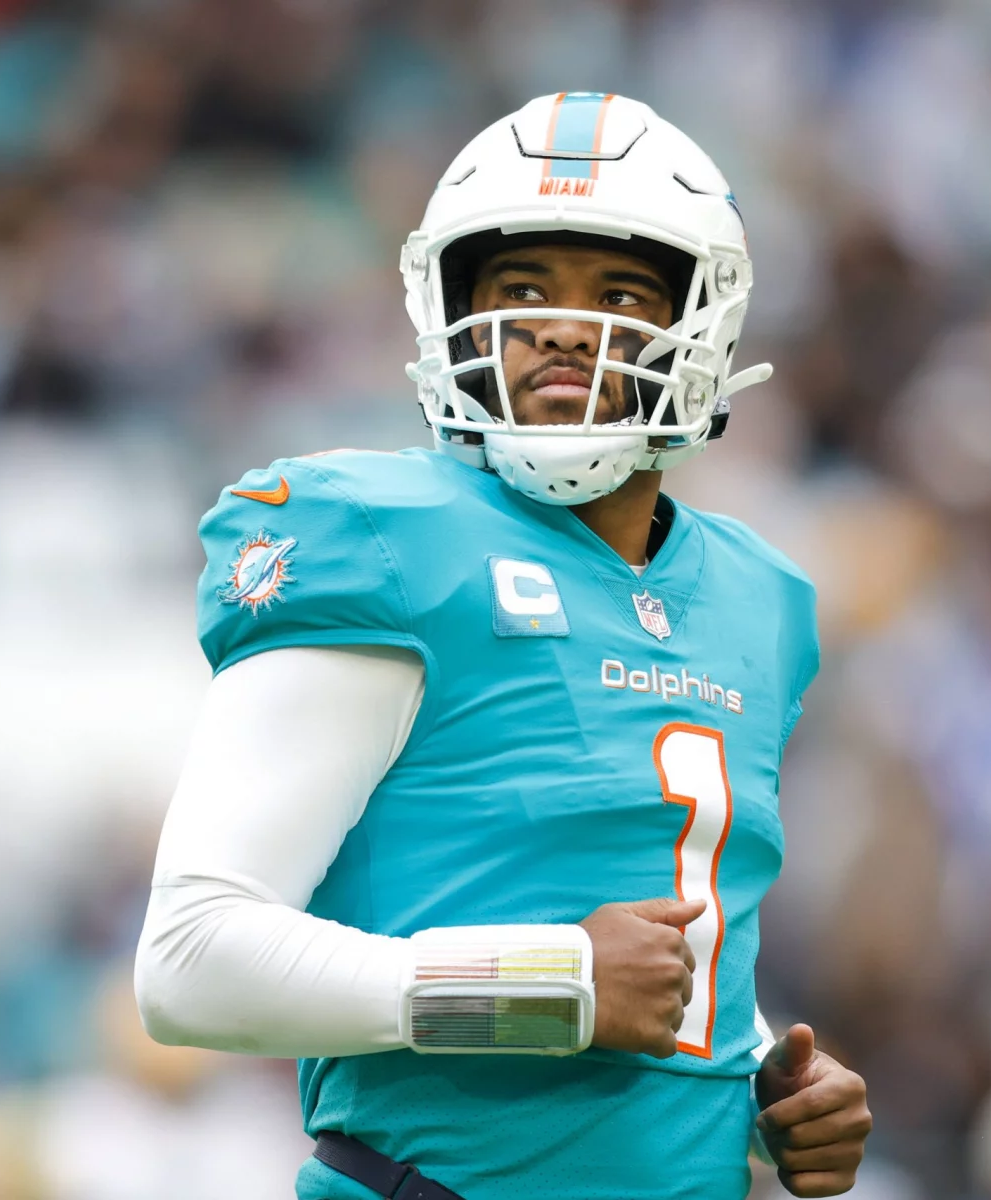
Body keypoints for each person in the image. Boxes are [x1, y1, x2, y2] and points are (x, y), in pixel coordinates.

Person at [134, 92, 872, 1200]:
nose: (566, 328)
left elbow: (659, 957)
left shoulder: (759, 597)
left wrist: (764, 1090)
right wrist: (549, 985)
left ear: (703, 323)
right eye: (523, 290)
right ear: (453, 312)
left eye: (619, 295)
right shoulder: (379, 536)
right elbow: (190, 959)